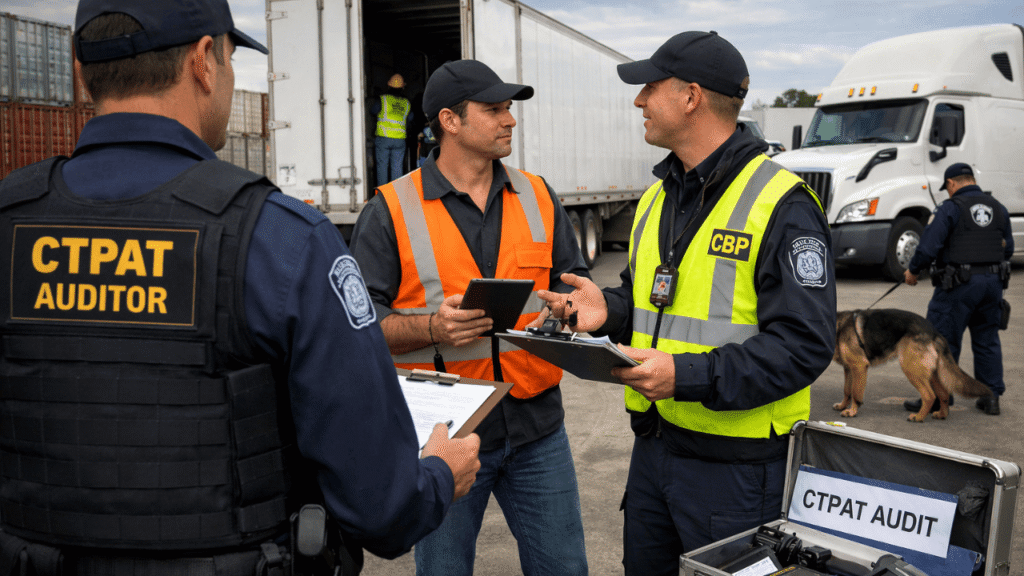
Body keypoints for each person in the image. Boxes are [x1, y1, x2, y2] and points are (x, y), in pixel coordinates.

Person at [0, 1, 480, 574]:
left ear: (80, 71)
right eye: (230, 58)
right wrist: (437, 474)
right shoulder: (283, 239)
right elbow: (381, 506)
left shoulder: (11, 218)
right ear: (205, 61)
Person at [537, 31, 836, 574]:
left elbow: (805, 346)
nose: (638, 101)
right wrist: (610, 308)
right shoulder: (656, 197)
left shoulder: (783, 204)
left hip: (738, 472)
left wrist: (686, 375)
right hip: (654, 451)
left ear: (691, 96)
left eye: (649, 88)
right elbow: (650, 295)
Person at [349, 59, 589, 576]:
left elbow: (577, 290)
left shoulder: (539, 196)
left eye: (510, 109)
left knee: (566, 568)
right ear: (450, 121)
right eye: (495, 109)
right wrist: (433, 328)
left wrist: (572, 314)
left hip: (538, 429)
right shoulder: (390, 209)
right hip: (446, 437)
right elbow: (359, 330)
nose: (510, 120)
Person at [903, 162, 1012, 416]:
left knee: (942, 340)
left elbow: (929, 246)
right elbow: (1007, 248)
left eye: (947, 188)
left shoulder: (951, 208)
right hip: (993, 284)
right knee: (987, 340)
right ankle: (991, 397)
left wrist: (913, 270)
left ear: (951, 184)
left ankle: (940, 397)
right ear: (972, 180)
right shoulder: (999, 208)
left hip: (958, 286)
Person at [373, 73, 412, 186]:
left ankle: (382, 196)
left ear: (389, 86)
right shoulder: (406, 103)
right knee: (397, 168)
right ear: (402, 87)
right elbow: (411, 118)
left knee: (382, 166)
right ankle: (395, 196)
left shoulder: (383, 100)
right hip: (399, 140)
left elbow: (373, 111)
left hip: (384, 138)